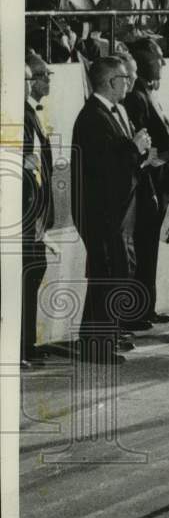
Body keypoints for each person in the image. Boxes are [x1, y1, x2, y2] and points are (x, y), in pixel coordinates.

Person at [70, 55, 153, 364]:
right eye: (124, 79)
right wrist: (133, 147)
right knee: (106, 274)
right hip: (101, 212)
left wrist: (137, 151)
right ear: (110, 82)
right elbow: (104, 166)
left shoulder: (110, 113)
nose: (128, 83)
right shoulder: (92, 117)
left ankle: (100, 339)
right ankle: (96, 346)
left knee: (111, 273)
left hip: (115, 209)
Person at [123, 38, 169, 329]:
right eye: (159, 58)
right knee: (142, 247)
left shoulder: (149, 94)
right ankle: (136, 311)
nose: (164, 62)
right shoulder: (136, 98)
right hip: (147, 185)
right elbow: (141, 146)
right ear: (144, 61)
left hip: (159, 184)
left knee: (150, 248)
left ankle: (147, 307)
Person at [22, 52, 56, 369]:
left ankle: (28, 344)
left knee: (34, 272)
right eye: (42, 74)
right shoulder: (22, 115)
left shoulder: (33, 114)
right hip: (27, 214)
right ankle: (22, 345)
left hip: (36, 213)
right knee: (28, 274)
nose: (48, 80)